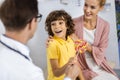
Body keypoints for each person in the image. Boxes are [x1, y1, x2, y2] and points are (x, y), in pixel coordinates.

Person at [0, 0, 81, 80]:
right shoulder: (32, 74)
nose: (57, 26)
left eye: (61, 23)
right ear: (31, 23)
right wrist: (70, 77)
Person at [72, 0, 119, 80]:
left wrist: (83, 44)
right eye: (86, 5)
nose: (87, 10)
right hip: (82, 66)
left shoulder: (104, 25)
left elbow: (101, 53)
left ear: (101, 8)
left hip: (99, 64)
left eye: (92, 7)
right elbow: (60, 37)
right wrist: (50, 40)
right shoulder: (73, 23)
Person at [45, 10, 85, 80]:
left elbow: (75, 64)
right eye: (53, 24)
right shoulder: (52, 44)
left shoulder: (70, 40)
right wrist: (68, 64)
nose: (57, 26)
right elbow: (56, 73)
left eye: (60, 23)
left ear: (67, 25)